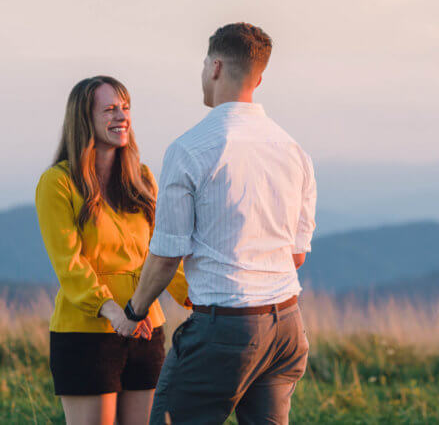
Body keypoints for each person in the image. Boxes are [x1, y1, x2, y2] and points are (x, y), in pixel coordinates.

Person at [117, 22, 318, 425]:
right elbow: (296, 254)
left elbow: (166, 255)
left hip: (223, 329)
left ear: (215, 66)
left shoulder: (190, 149)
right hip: (287, 330)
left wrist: (134, 311)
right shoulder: (294, 151)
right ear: (258, 78)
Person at [35, 76, 189, 425]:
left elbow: (161, 252)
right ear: (83, 118)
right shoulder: (57, 183)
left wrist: (199, 300)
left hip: (147, 330)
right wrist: (114, 313)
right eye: (109, 109)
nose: (121, 116)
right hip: (86, 332)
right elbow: (69, 264)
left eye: (125, 107)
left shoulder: (143, 178)